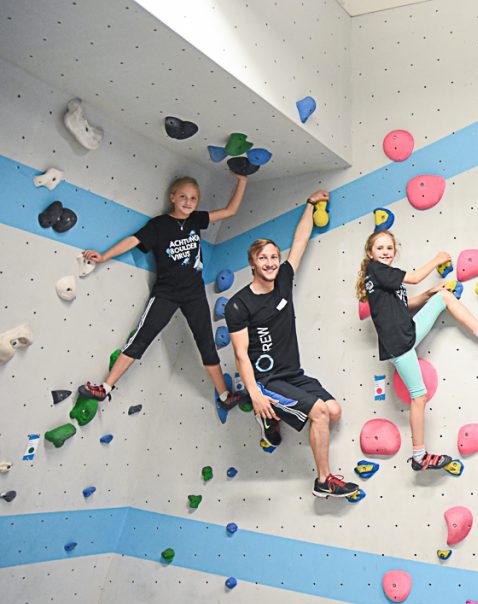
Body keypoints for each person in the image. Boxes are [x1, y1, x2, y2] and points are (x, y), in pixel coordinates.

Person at [224, 190, 359, 499]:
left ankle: (272, 415)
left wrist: (310, 205)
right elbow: (241, 355)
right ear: (253, 264)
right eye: (263, 258)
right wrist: (256, 394)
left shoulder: (283, 278)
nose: (271, 262)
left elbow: (299, 242)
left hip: (292, 373)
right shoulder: (238, 305)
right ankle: (323, 481)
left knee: (334, 411)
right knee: (319, 414)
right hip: (267, 380)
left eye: (274, 256)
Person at [78, 174, 248, 412]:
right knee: (140, 340)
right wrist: (104, 256)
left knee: (207, 345)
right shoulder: (158, 225)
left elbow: (230, 210)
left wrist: (242, 181)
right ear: (172, 198)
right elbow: (132, 241)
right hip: (166, 294)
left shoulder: (197, 220)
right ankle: (105, 388)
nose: (188, 202)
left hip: (194, 294)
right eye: (183, 197)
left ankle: (224, 395)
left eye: (193, 198)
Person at [358, 230, 478, 472]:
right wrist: (437, 258)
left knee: (441, 298)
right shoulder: (376, 270)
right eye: (380, 248)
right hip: (399, 341)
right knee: (418, 396)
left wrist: (429, 294)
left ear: (395, 251)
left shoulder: (381, 277)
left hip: (404, 333)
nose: (386, 252)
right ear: (370, 253)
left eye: (389, 248)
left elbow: (404, 304)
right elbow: (414, 277)